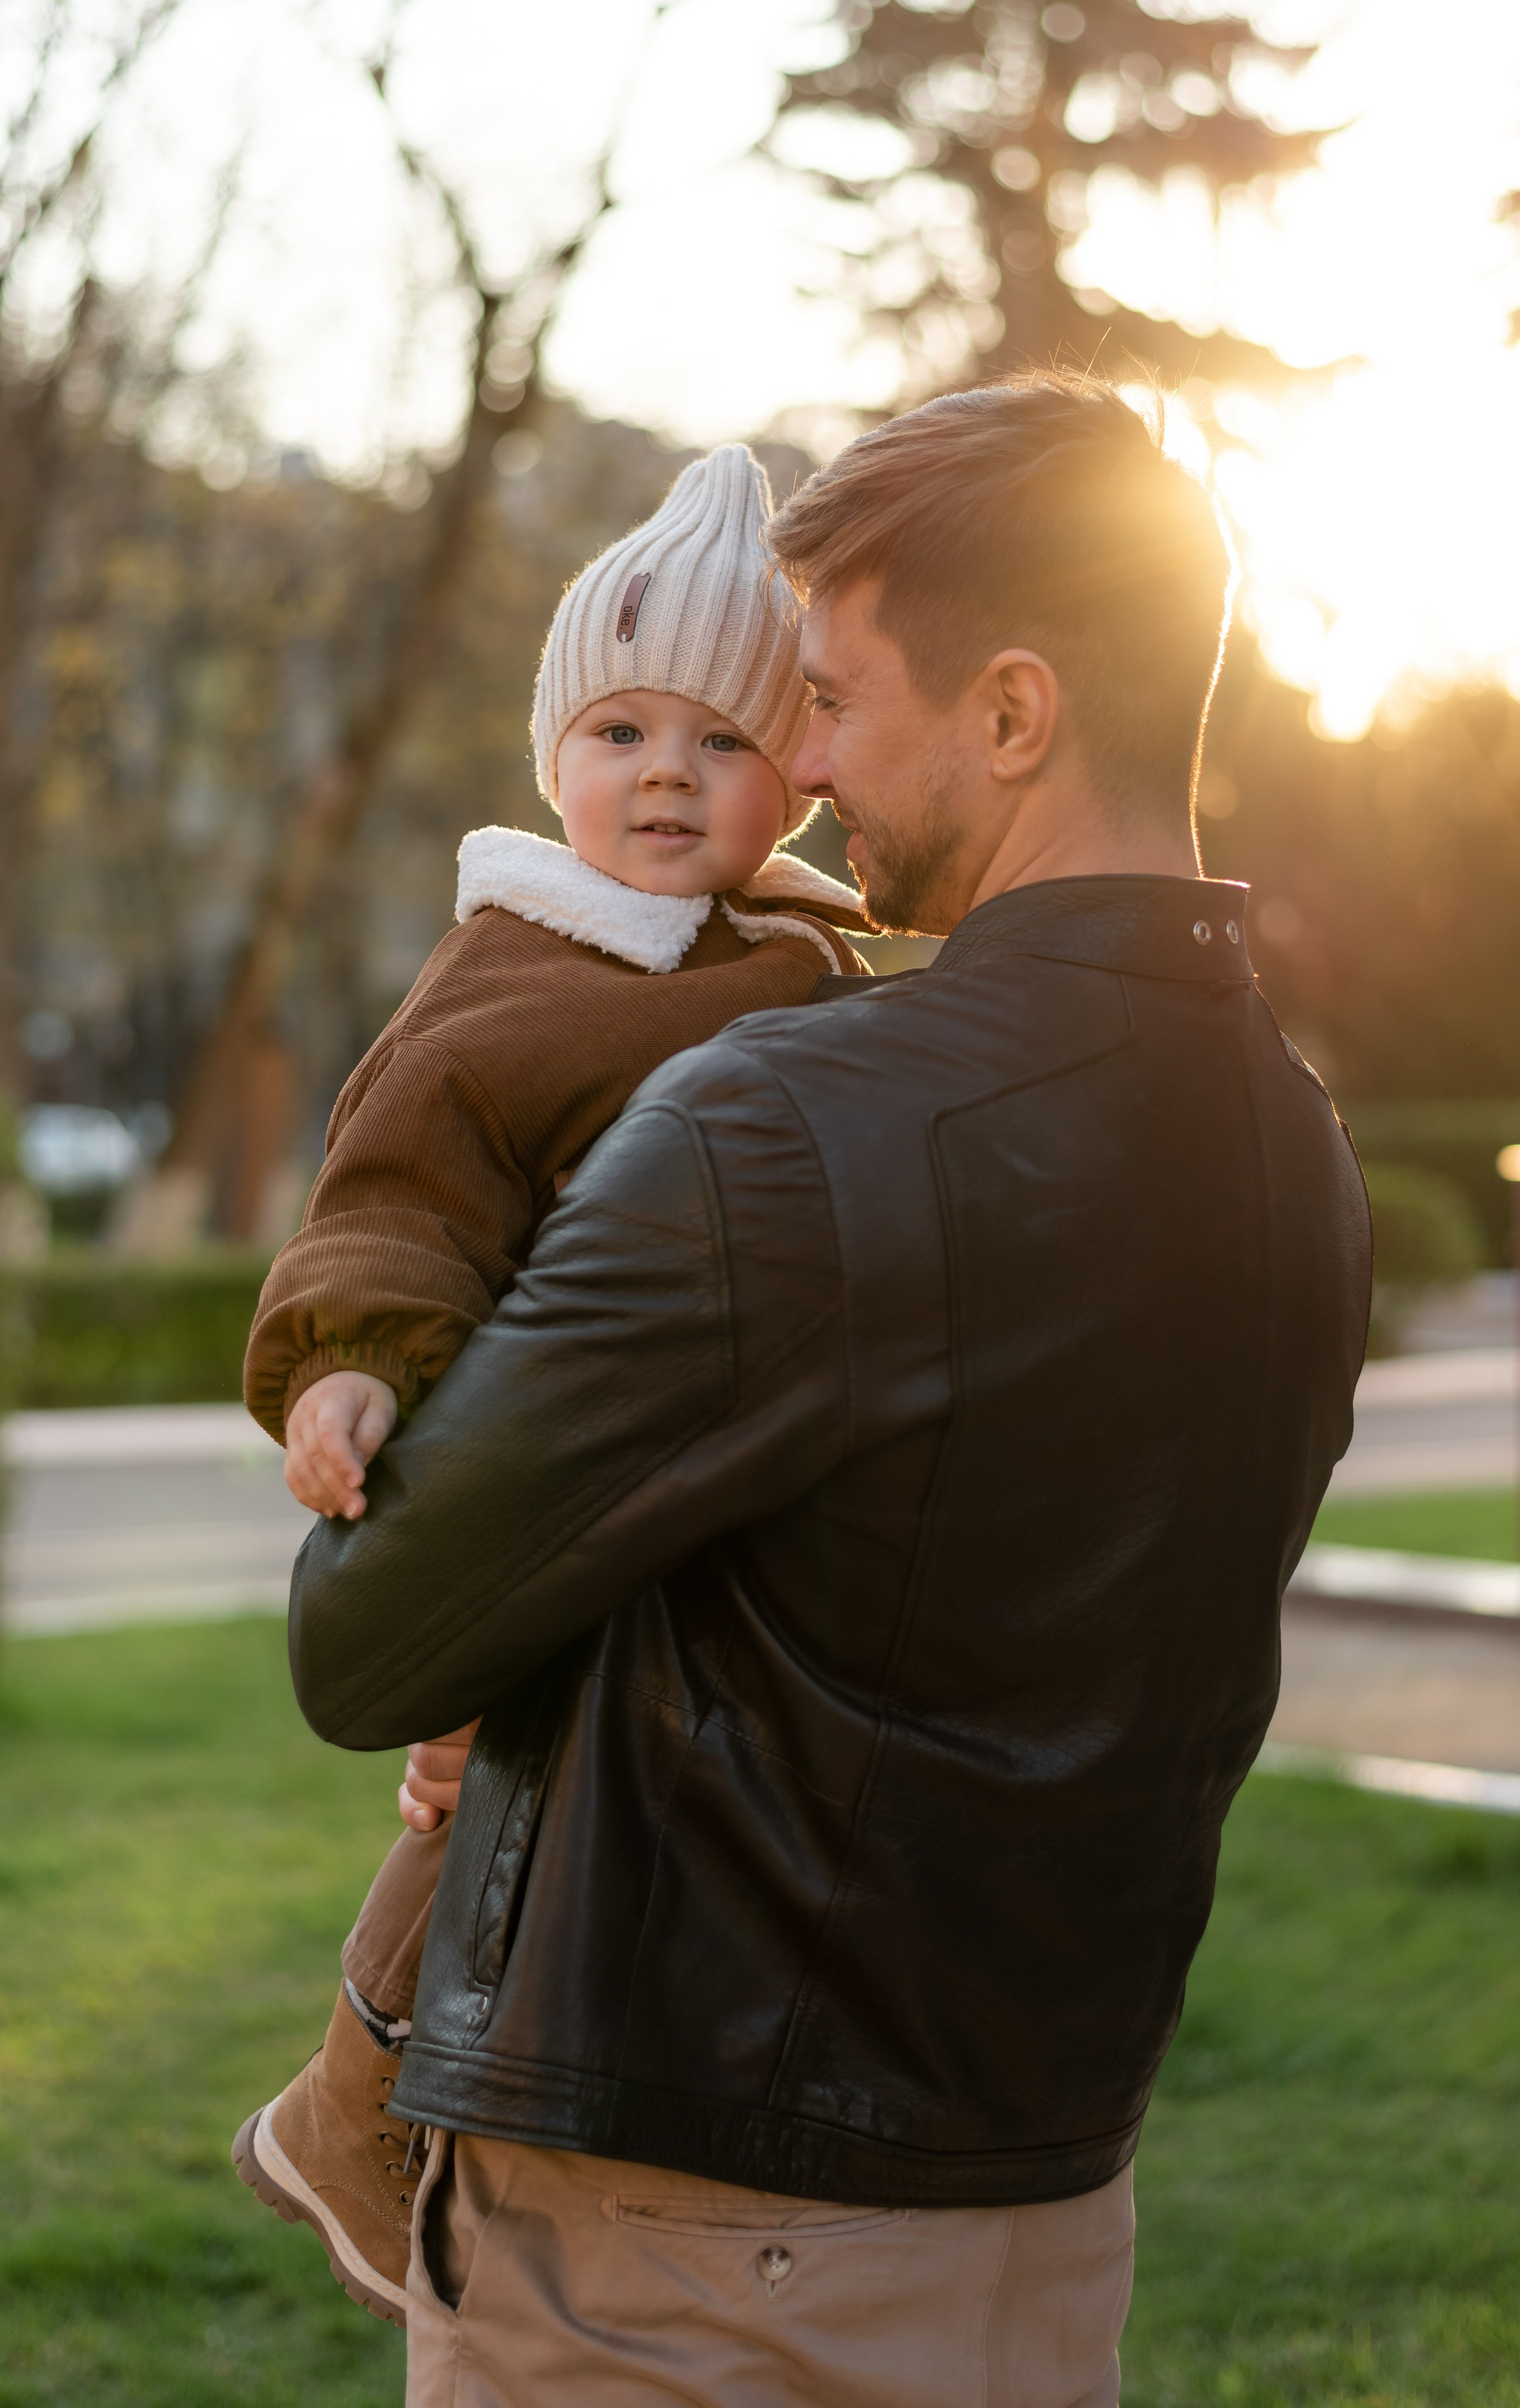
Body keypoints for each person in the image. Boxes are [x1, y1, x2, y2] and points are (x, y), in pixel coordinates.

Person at [288, 373, 1373, 2408]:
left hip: (683, 2244)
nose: (805, 760)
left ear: (1017, 713)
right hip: (1042, 2215)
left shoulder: (782, 1125)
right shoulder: (1290, 1151)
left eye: (836, 699)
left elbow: (367, 1638)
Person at [230, 444, 870, 2323]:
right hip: (538, 1456)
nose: (666, 772)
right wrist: (346, 1371)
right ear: (551, 758)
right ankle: (351, 2100)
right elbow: (398, 1192)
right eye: (620, 729)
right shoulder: (514, 970)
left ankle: (429, 2097)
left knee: (565, 1788)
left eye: (722, 740)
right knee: (480, 1785)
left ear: (794, 774)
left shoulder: (807, 961)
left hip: (703, 1467)